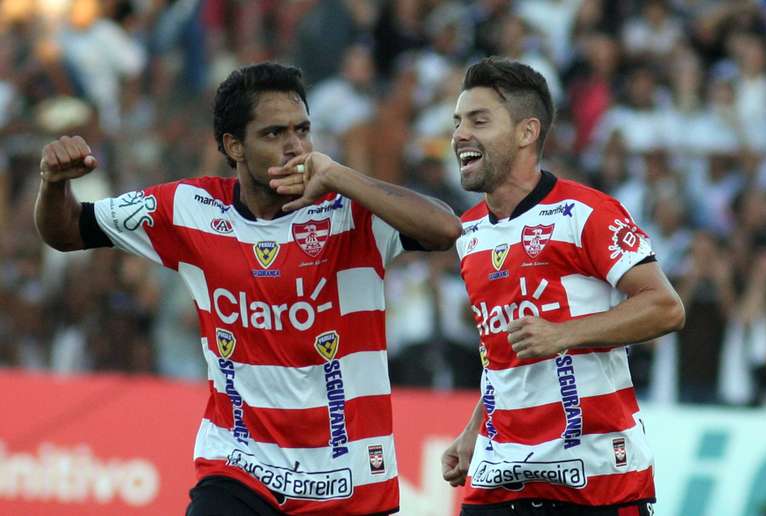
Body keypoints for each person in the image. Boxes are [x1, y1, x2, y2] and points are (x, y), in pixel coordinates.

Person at [35, 62, 462, 516]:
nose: (295, 146)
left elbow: (445, 229)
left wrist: (340, 176)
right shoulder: (189, 209)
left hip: (349, 482)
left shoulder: (352, 211)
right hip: (239, 472)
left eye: (302, 130)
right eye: (274, 134)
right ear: (233, 146)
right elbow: (67, 232)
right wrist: (53, 184)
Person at [440, 57, 685, 515]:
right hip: (500, 474)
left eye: (478, 120)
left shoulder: (585, 213)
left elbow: (666, 307)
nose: (459, 135)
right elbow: (502, 358)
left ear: (526, 132)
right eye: (458, 122)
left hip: (593, 478)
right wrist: (475, 429)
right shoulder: (467, 232)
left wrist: (562, 333)